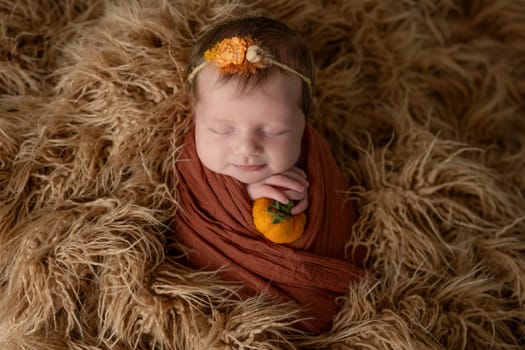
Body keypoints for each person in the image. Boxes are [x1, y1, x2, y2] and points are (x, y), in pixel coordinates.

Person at [173, 16, 368, 333]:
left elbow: (337, 225)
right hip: (219, 318)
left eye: (274, 131)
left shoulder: (313, 162)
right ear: (195, 115)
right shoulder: (189, 166)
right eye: (222, 130)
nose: (246, 148)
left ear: (304, 121)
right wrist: (243, 197)